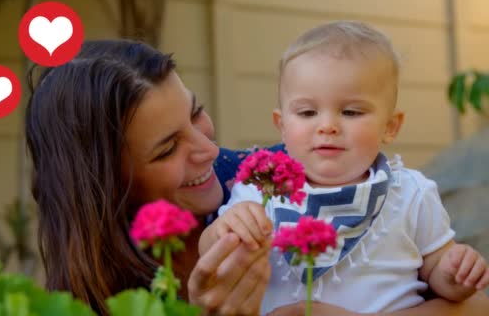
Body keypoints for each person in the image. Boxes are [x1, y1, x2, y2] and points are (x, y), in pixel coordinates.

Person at [25, 38, 489, 315]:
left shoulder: (275, 177)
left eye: (197, 113)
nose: (208, 148)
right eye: (168, 147)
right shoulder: (103, 291)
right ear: (109, 185)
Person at [199, 21, 489, 314]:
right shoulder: (260, 188)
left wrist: (455, 274)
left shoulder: (411, 193)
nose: (327, 126)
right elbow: (213, 254)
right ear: (282, 126)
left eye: (351, 111)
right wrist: (224, 230)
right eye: (307, 112)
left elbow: (437, 268)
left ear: (390, 127)